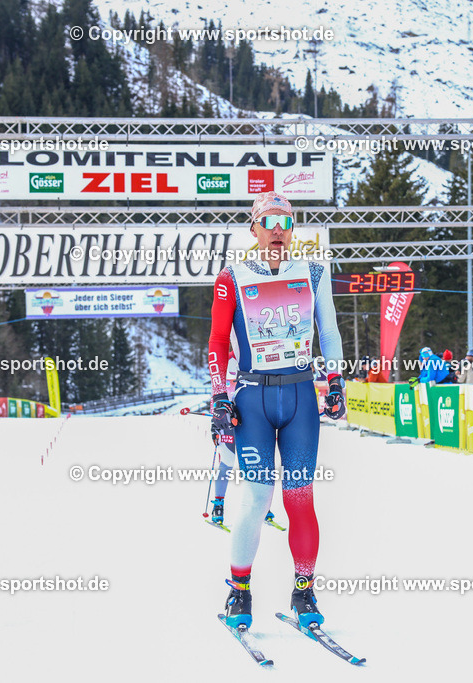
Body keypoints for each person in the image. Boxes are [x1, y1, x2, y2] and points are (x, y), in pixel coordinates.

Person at [208, 191, 345, 630]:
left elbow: (329, 328)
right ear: (254, 229)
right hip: (252, 399)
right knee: (254, 498)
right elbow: (215, 342)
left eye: (287, 223)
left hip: (301, 397)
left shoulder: (313, 272)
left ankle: (304, 592)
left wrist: (336, 379)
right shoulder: (232, 276)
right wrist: (218, 395)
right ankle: (239, 592)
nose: (279, 232)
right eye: (269, 222)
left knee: (300, 499)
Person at [209, 348, 277, 530]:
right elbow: (216, 393)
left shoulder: (254, 354)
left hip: (252, 420)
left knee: (257, 463)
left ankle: (264, 506)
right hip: (229, 423)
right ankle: (218, 506)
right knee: (227, 462)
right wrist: (215, 422)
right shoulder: (225, 359)